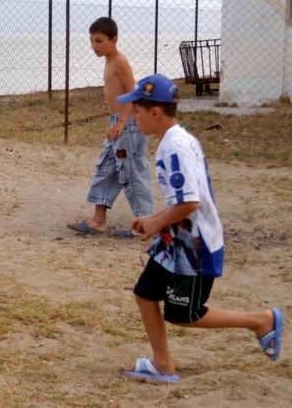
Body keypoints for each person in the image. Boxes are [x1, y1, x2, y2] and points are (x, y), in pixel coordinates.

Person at [117, 73, 283, 383]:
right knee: (145, 293)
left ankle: (260, 321)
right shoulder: (177, 139)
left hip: (194, 246)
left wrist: (154, 221)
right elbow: (185, 199)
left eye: (136, 111)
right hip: (176, 241)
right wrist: (157, 218)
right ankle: (162, 365)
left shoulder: (174, 147)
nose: (134, 116)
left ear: (154, 112)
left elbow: (190, 202)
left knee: (185, 314)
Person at [68, 17, 154, 238]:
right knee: (106, 168)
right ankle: (98, 222)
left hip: (129, 126)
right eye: (92, 41)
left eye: (99, 41)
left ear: (113, 40)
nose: (94, 46)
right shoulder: (108, 60)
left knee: (132, 172)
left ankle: (145, 226)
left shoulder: (119, 61)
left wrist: (122, 122)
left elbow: (134, 94)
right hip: (116, 123)